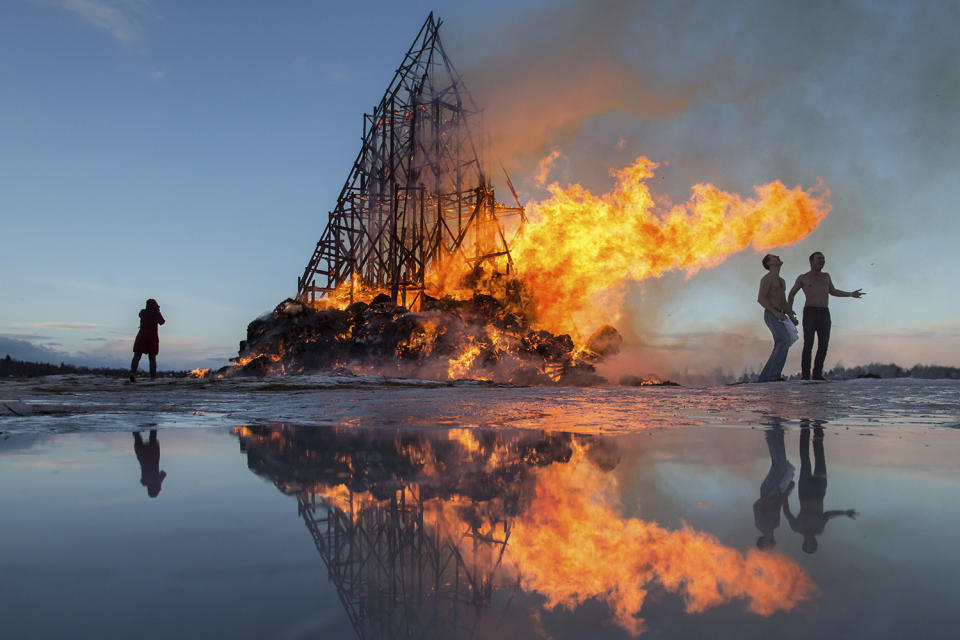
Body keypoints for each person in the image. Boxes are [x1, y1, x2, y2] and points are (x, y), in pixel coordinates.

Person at [787, 252, 865, 380]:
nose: (822, 261)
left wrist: (851, 294)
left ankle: (817, 374)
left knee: (823, 344)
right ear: (811, 261)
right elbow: (791, 295)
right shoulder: (803, 277)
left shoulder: (826, 276)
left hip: (824, 312)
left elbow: (833, 291)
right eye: (819, 258)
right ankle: (805, 375)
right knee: (809, 344)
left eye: (823, 259)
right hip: (810, 312)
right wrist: (790, 311)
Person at [783, 421, 857, 553]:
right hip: (819, 491)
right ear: (815, 542)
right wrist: (844, 513)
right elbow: (827, 515)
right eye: (813, 544)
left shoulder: (797, 527)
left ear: (804, 543)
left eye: (808, 544)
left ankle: (805, 428)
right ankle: (818, 428)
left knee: (805, 459)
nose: (811, 541)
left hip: (805, 491)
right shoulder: (819, 529)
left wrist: (786, 493)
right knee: (820, 456)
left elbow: (787, 511)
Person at [753, 419, 795, 550]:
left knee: (780, 465)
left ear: (764, 541)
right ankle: (776, 432)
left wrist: (769, 495)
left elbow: (757, 505)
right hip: (776, 490)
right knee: (779, 465)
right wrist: (786, 491)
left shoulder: (762, 526)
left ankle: (772, 432)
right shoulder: (775, 525)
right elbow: (779, 504)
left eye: (768, 546)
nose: (772, 545)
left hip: (769, 490)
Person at [756, 254, 798, 382]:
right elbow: (761, 299)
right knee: (783, 341)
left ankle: (768, 376)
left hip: (780, 315)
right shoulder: (767, 279)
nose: (779, 257)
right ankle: (771, 376)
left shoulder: (781, 280)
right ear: (769, 263)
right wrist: (775, 313)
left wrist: (790, 315)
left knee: (783, 342)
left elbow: (783, 302)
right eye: (774, 257)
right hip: (771, 314)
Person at [130, 298, 165, 382]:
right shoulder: (156, 313)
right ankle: (152, 377)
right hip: (152, 337)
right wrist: (157, 310)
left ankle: (132, 373)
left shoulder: (143, 312)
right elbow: (162, 322)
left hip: (141, 335)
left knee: (136, 356)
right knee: (152, 358)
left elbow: (140, 315)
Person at [133, 429, 167, 498]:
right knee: (136, 433)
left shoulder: (157, 480)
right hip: (142, 455)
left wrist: (159, 483)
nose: (160, 489)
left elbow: (164, 473)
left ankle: (152, 419)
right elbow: (143, 481)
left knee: (153, 432)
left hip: (153, 453)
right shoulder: (144, 482)